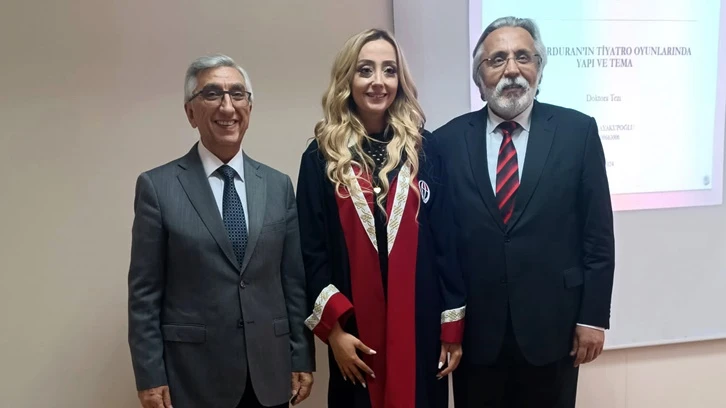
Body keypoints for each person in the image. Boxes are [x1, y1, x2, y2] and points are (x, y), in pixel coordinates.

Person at [431, 17, 616, 408]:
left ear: (539, 69)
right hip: (475, 337)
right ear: (479, 78)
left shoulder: (578, 132)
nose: (512, 69)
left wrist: (593, 318)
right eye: (497, 59)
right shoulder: (444, 143)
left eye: (523, 57)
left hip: (555, 331)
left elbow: (597, 235)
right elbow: (440, 245)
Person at [127, 54, 314, 408]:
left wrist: (301, 356)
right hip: (193, 377)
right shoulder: (158, 187)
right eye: (212, 94)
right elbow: (145, 294)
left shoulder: (278, 185)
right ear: (190, 112)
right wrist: (150, 375)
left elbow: (293, 282)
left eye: (237, 94)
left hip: (270, 372)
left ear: (249, 108)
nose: (227, 106)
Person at [296, 29, 467, 408]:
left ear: (400, 81)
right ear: (348, 79)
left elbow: (447, 241)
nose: (378, 81)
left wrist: (451, 327)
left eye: (389, 70)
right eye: (365, 70)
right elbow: (311, 252)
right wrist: (335, 333)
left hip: (420, 326)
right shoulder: (320, 157)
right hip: (355, 337)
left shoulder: (426, 149)